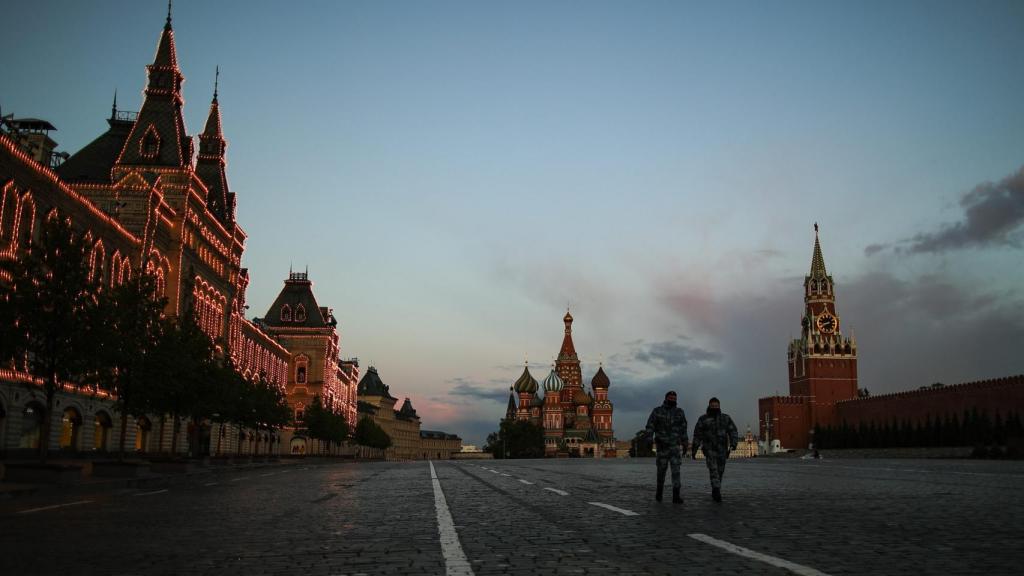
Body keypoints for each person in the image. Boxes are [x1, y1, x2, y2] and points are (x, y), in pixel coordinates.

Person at [691, 397, 738, 503]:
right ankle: (717, 491)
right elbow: (697, 434)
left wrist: (733, 444)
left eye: (716, 406)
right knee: (713, 470)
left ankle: (715, 488)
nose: (715, 407)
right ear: (709, 406)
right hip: (709, 449)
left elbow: (733, 431)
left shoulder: (725, 418)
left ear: (719, 406)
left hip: (722, 450)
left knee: (720, 471)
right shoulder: (703, 419)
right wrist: (694, 449)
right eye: (713, 406)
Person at [644, 391, 688, 504]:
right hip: (662, 446)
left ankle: (676, 496)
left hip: (674, 447)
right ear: (666, 398)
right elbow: (650, 425)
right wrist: (649, 439)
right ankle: (659, 493)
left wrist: (685, 442)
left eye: (674, 398)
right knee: (661, 471)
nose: (673, 399)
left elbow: (683, 428)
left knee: (676, 471)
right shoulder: (657, 411)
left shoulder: (679, 412)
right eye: (671, 397)